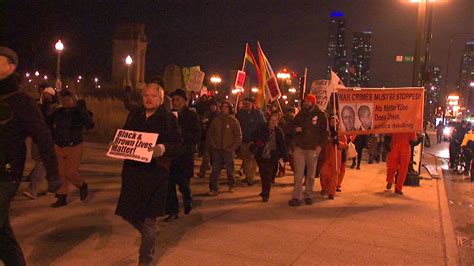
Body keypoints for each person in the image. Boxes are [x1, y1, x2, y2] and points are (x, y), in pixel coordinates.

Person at [0, 46, 61, 265]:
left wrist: (53, 174)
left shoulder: (22, 101)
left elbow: (43, 137)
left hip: (6, 173)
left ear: (10, 67)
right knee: (3, 234)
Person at [116, 82, 183, 265]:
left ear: (161, 99)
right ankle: (150, 233)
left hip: (155, 175)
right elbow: (125, 135)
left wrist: (162, 148)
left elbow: (178, 145)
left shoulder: (169, 119)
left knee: (149, 221)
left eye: (153, 96)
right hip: (132, 173)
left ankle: (146, 260)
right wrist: (117, 144)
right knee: (127, 212)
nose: (148, 99)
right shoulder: (135, 115)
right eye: (146, 95)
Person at [49, 89, 94, 207]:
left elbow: (89, 124)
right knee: (61, 173)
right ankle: (62, 197)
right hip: (58, 145)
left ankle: (82, 185)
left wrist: (81, 106)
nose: (65, 101)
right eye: (63, 99)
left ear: (73, 99)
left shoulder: (79, 112)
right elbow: (47, 124)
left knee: (70, 172)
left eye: (68, 98)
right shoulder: (58, 112)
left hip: (74, 145)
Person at [165, 88, 201, 222]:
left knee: (183, 183)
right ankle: (172, 210)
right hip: (171, 155)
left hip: (184, 155)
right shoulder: (168, 115)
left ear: (184, 101)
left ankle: (187, 198)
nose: (175, 102)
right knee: (169, 184)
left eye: (178, 100)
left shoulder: (191, 115)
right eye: (173, 100)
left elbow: (197, 135)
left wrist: (181, 133)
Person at [288, 94, 328, 206]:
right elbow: (290, 128)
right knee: (298, 174)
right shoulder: (300, 115)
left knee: (310, 174)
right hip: (299, 147)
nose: (306, 103)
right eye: (305, 101)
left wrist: (320, 146)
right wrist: (295, 130)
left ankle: (309, 195)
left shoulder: (320, 115)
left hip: (313, 149)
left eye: (308, 102)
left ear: (313, 103)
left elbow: (324, 133)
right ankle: (296, 197)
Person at [22, 86, 58, 199]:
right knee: (42, 162)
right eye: (45, 95)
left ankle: (33, 189)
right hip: (38, 138)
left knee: (41, 163)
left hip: (47, 138)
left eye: (48, 96)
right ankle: (51, 187)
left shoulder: (53, 109)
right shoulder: (38, 106)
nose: (46, 97)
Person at [207, 101, 242, 195]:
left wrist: (232, 147)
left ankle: (231, 184)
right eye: (223, 107)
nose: (224, 109)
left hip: (228, 150)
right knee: (215, 170)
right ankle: (214, 188)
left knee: (230, 169)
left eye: (226, 107)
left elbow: (238, 136)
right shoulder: (216, 120)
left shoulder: (233, 121)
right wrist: (213, 144)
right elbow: (211, 133)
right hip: (217, 149)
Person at [252, 111, 288, 202]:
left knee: (268, 175)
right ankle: (264, 190)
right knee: (263, 174)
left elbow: (282, 144)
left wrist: (284, 157)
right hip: (262, 155)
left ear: (278, 122)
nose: (273, 122)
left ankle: (266, 194)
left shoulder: (278, 131)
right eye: (272, 120)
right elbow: (254, 136)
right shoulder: (262, 128)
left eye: (275, 121)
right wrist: (258, 143)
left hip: (272, 156)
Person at [236, 97, 266, 185]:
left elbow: (263, 126)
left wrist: (260, 138)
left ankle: (250, 177)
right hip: (243, 139)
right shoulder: (240, 113)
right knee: (245, 159)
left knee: (253, 159)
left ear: (252, 104)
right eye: (245, 103)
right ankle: (247, 175)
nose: (246, 105)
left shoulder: (258, 114)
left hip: (254, 141)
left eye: (248, 103)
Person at [320, 116, 348, 199]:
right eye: (331, 121)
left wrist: (338, 142)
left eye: (334, 121)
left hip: (336, 156)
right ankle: (324, 188)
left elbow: (345, 144)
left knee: (334, 174)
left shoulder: (340, 132)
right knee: (323, 172)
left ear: (337, 122)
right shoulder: (327, 132)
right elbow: (322, 142)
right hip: (326, 155)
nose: (333, 122)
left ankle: (331, 192)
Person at [197, 99, 220, 178]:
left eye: (214, 106)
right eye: (211, 106)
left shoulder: (218, 115)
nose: (213, 107)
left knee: (215, 157)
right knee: (206, 155)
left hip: (216, 138)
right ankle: (202, 172)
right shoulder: (207, 113)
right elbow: (203, 122)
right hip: (208, 136)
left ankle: (214, 174)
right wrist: (204, 123)